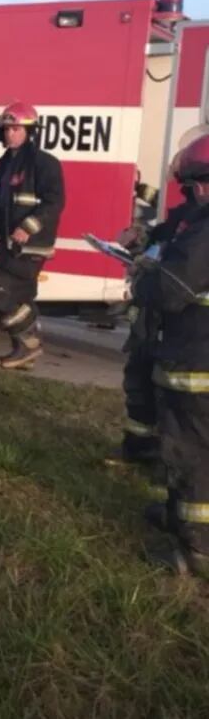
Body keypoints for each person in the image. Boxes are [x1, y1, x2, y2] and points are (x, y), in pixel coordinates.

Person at [132, 132, 209, 576]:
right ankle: (179, 518)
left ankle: (196, 550)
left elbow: (169, 289)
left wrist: (143, 277)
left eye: (198, 183)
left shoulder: (206, 232)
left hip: (197, 363)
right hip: (196, 355)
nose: (194, 193)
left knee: (192, 453)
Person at [0, 101, 65, 369]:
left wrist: (27, 227)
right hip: (8, 243)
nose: (10, 134)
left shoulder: (45, 163)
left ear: (29, 131)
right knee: (21, 296)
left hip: (31, 245)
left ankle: (29, 344)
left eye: (16, 128)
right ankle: (23, 352)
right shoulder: (5, 165)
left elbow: (54, 202)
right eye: (6, 129)